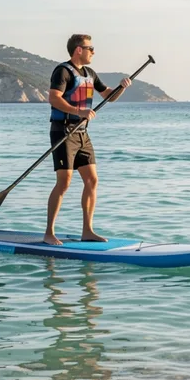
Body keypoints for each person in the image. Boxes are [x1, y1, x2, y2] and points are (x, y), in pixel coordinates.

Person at [45, 34, 132, 245]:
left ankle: (88, 231)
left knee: (92, 180)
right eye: (90, 48)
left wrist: (121, 88)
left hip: (82, 134)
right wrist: (78, 111)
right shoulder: (63, 71)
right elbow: (53, 98)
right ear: (78, 50)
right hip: (63, 132)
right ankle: (49, 233)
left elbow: (108, 96)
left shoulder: (90, 73)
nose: (93, 51)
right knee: (64, 183)